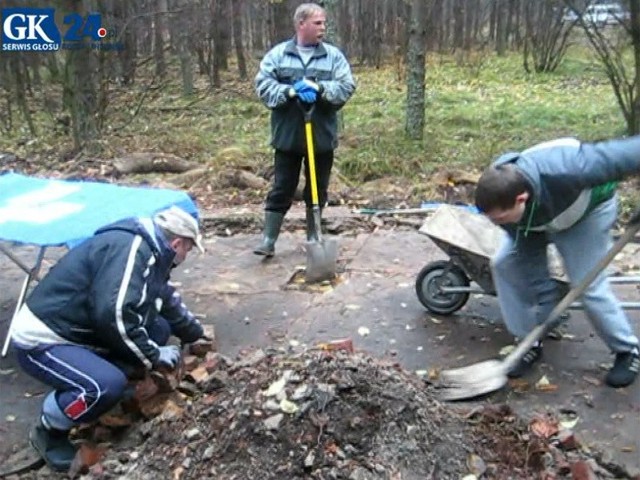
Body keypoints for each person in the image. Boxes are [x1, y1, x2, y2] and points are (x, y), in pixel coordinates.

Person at [10, 205, 207, 471]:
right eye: (189, 249)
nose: (187, 255)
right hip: (45, 338)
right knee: (102, 386)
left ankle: (115, 379)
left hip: (81, 326)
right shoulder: (132, 250)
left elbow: (165, 298)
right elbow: (112, 314)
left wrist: (194, 333)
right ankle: (49, 428)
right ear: (177, 243)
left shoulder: (153, 252)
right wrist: (153, 355)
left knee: (157, 328)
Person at [474, 136, 640, 388]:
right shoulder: (501, 196)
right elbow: (529, 258)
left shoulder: (569, 167)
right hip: (539, 217)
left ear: (521, 199)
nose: (496, 224)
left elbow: (630, 153)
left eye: (500, 219)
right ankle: (529, 341)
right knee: (504, 263)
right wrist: (546, 310)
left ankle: (627, 351)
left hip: (587, 214)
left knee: (587, 285)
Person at [253, 2, 356, 257]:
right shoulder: (278, 55)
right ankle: (268, 239)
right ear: (301, 24)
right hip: (287, 137)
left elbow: (346, 86)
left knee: (317, 189)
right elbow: (263, 86)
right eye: (317, 23)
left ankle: (314, 236)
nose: (323, 27)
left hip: (321, 136)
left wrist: (321, 89)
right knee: (282, 188)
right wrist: (288, 91)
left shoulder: (333, 56)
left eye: (324, 23)